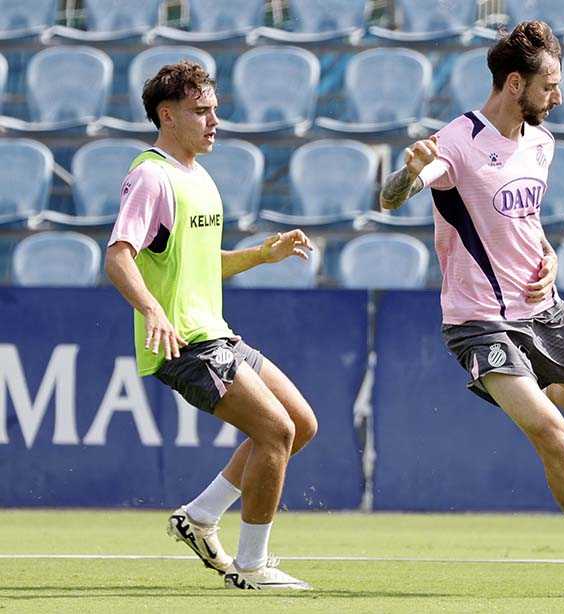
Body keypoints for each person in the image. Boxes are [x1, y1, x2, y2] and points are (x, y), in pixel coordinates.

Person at [379, 21, 564, 599]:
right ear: (513, 84)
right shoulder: (456, 142)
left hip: (543, 310)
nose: (559, 97)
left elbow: (523, 220)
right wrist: (409, 171)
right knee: (554, 436)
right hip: (479, 322)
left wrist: (550, 254)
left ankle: (527, 386)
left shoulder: (542, 143)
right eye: (549, 86)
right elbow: (391, 197)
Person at [105, 61, 316, 591]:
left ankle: (199, 516)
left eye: (214, 110)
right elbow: (118, 256)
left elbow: (203, 263)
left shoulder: (197, 176)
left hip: (216, 332)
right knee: (276, 431)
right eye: (201, 111)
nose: (214, 121)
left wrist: (262, 255)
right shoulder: (151, 176)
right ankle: (251, 568)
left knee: (300, 424)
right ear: (167, 115)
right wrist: (153, 310)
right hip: (184, 341)